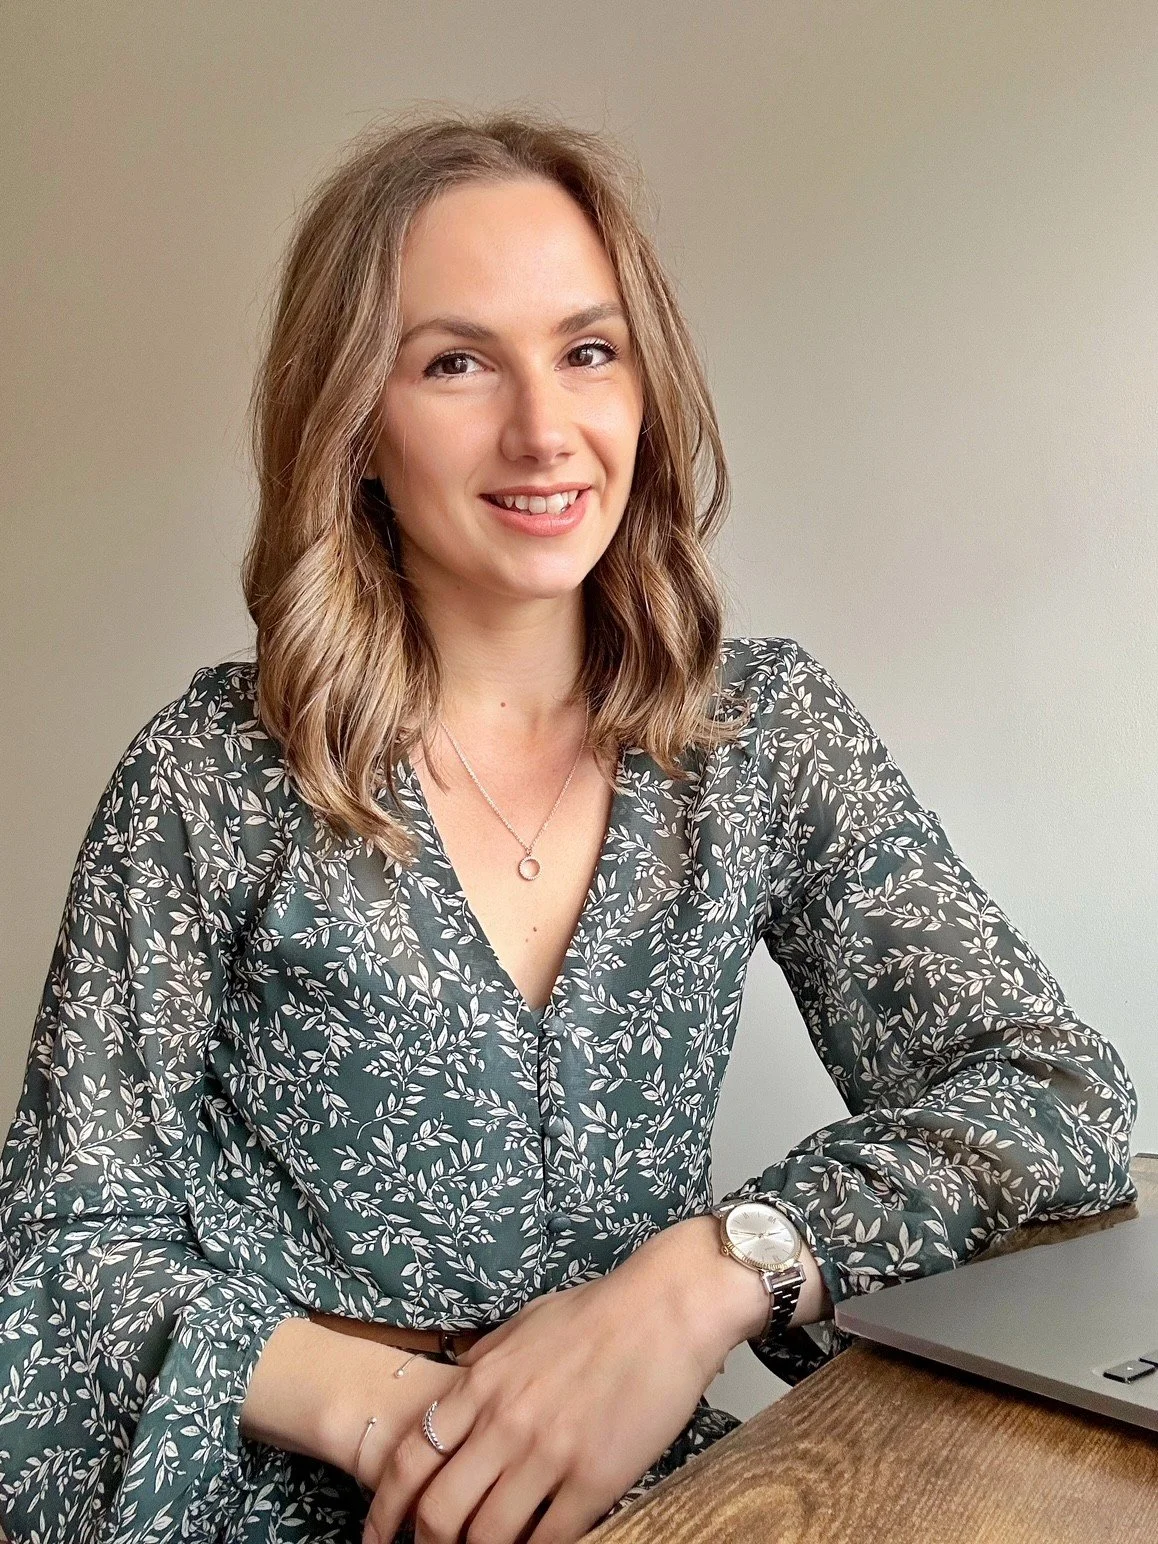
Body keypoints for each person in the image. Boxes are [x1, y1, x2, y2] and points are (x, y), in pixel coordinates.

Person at [0, 107, 1138, 1544]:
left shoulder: (761, 739)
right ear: (353, 420)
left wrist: (703, 1278)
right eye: (456, 362)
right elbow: (56, 1249)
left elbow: (1053, 1095)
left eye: (587, 351)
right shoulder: (210, 776)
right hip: (275, 1496)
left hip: (646, 1494)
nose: (545, 430)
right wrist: (419, 1425)